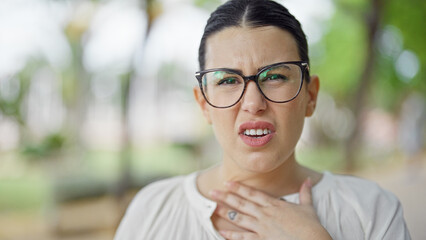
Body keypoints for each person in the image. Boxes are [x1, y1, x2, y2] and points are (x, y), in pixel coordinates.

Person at [114, 0, 411, 239]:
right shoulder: (152, 210)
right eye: (228, 81)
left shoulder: (372, 211)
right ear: (203, 103)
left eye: (275, 76)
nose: (254, 104)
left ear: (310, 95)